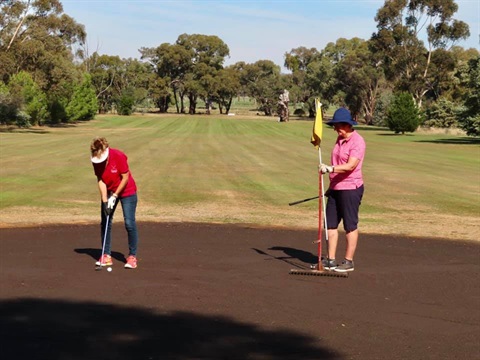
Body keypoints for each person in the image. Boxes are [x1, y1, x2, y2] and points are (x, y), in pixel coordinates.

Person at [320, 108, 366, 273]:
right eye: (334, 126)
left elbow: (351, 165)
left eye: (338, 125)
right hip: (336, 188)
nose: (335, 128)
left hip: (351, 188)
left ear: (347, 125)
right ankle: (331, 259)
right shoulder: (339, 140)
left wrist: (330, 168)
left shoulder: (357, 141)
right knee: (330, 224)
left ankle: (348, 261)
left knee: (350, 225)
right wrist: (331, 185)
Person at [90, 137, 139, 269]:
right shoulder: (96, 159)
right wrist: (105, 201)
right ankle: (106, 255)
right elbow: (100, 180)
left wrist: (115, 195)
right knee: (105, 221)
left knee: (129, 222)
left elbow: (125, 177)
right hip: (110, 192)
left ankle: (132, 257)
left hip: (127, 191)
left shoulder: (118, 156)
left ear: (105, 150)